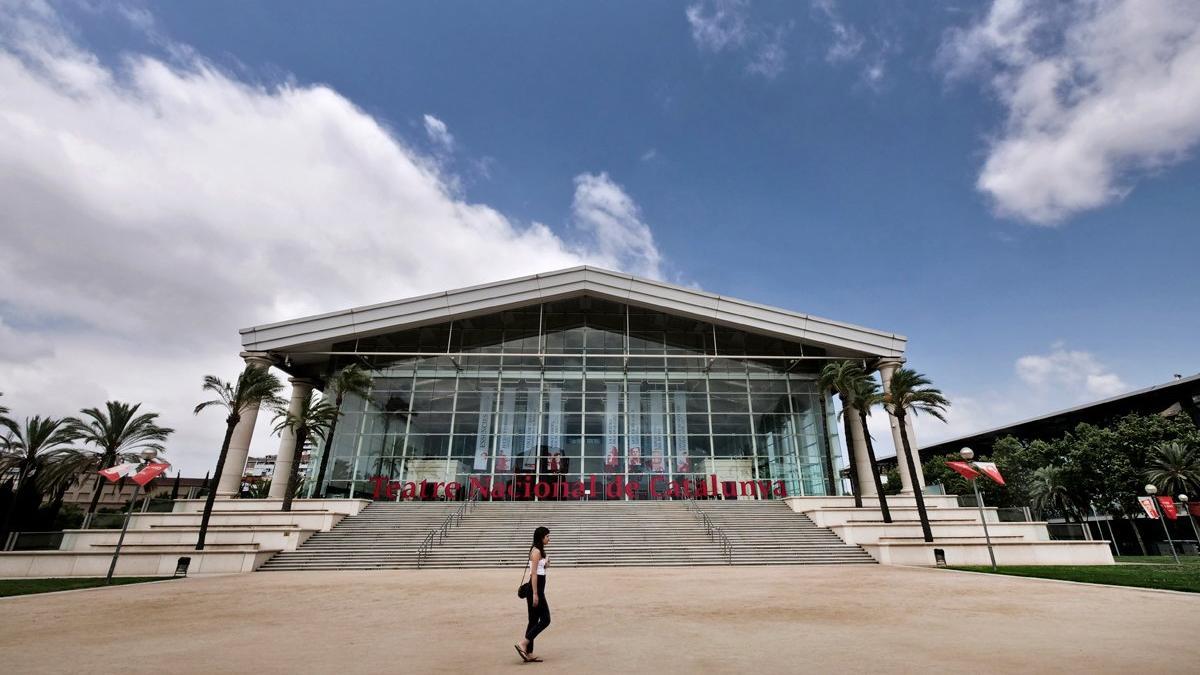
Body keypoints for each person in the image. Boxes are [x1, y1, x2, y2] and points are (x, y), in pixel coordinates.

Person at [516, 526, 551, 662]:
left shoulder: (540, 551)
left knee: (533, 620)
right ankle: (523, 643)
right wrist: (536, 594)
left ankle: (528, 652)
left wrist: (546, 563)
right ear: (541, 537)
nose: (549, 538)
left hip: (536, 589)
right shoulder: (536, 552)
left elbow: (541, 569)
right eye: (547, 536)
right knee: (546, 619)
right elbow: (534, 574)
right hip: (535, 590)